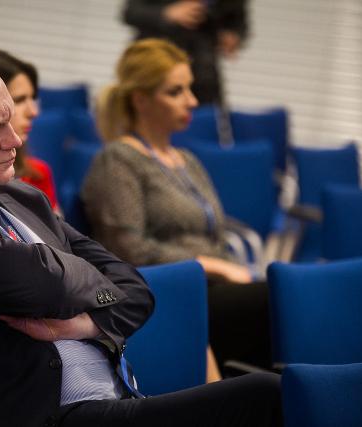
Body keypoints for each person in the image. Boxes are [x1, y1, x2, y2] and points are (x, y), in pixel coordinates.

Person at [0, 55, 281, 427]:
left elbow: (134, 288)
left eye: (9, 121)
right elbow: (42, 283)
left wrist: (87, 322)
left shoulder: (21, 198)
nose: (15, 140)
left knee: (274, 392)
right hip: (41, 415)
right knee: (264, 397)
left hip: (114, 400)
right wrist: (83, 278)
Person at [81, 38, 271, 372]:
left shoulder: (186, 160)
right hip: (168, 291)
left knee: (289, 298)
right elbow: (129, 249)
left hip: (211, 287)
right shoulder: (118, 160)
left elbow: (215, 234)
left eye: (190, 89)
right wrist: (213, 266)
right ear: (141, 100)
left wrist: (228, 269)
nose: (192, 101)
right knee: (282, 301)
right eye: (176, 92)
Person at [0, 46, 61, 213]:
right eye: (19, 100)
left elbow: (57, 230)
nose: (33, 112)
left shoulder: (38, 174)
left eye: (32, 99)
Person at [123, 0, 248, 106]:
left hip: (203, 70)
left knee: (207, 118)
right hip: (155, 62)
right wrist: (167, 13)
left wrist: (234, 35)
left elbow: (237, 21)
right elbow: (130, 12)